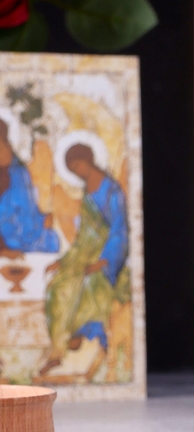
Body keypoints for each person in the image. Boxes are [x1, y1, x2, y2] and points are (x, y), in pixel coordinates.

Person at [41, 143, 130, 375]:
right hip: (85, 257)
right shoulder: (87, 193)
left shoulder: (111, 191)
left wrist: (104, 261)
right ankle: (58, 348)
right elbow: (82, 239)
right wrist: (62, 262)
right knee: (57, 286)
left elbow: (119, 231)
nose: (78, 171)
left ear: (88, 159)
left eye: (78, 165)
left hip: (109, 260)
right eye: (72, 169)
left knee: (90, 285)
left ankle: (83, 335)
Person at [0, 119, 59, 258]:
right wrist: (2, 249)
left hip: (27, 232)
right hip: (5, 236)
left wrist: (42, 219)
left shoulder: (20, 172)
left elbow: (30, 208)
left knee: (51, 240)